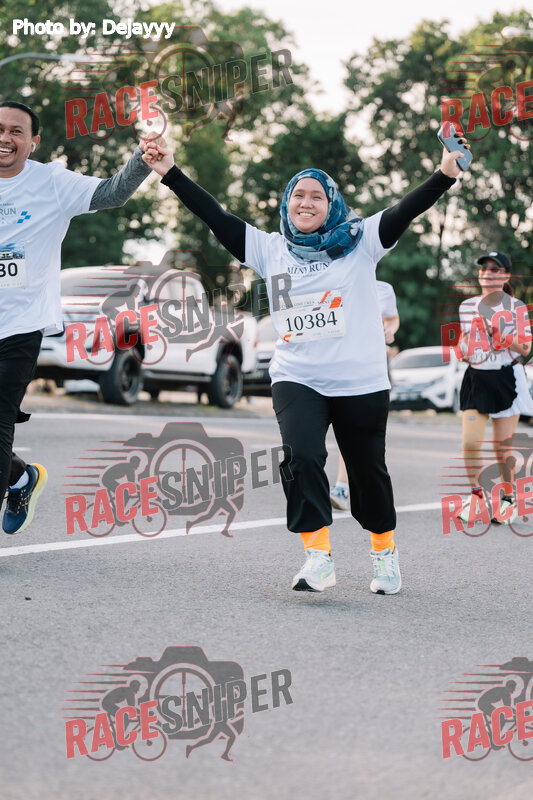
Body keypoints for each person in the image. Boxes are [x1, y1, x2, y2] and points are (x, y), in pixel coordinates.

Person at [141, 135, 469, 595]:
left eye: (317, 196)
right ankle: (318, 557)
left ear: (331, 204)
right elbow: (216, 216)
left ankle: (384, 552)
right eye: (299, 195)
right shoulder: (269, 248)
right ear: (287, 203)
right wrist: (171, 173)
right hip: (298, 377)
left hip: (360, 380)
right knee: (302, 457)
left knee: (367, 471)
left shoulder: (362, 240)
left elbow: (404, 210)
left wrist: (444, 175)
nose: (307, 202)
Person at [0, 100, 154, 535]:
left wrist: (142, 159)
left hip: (19, 327)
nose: (5, 138)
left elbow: (112, 193)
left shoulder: (50, 182)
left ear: (33, 142)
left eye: (16, 131)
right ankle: (20, 477)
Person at [457, 251, 533, 527]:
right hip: (476, 377)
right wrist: (462, 348)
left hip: (506, 378)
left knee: (503, 448)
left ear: (506, 276)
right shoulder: (467, 306)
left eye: (494, 269)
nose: (487, 273)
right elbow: (464, 343)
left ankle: (508, 499)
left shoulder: (517, 307)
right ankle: (476, 497)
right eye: (484, 269)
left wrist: (497, 333)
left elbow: (525, 348)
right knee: (470, 442)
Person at [330, 280, 399, 510]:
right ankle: (342, 487)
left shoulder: (384, 289)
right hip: (341, 362)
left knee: (365, 432)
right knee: (346, 426)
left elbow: (392, 318)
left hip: (372, 367)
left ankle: (363, 489)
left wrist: (390, 330)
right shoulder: (335, 280)